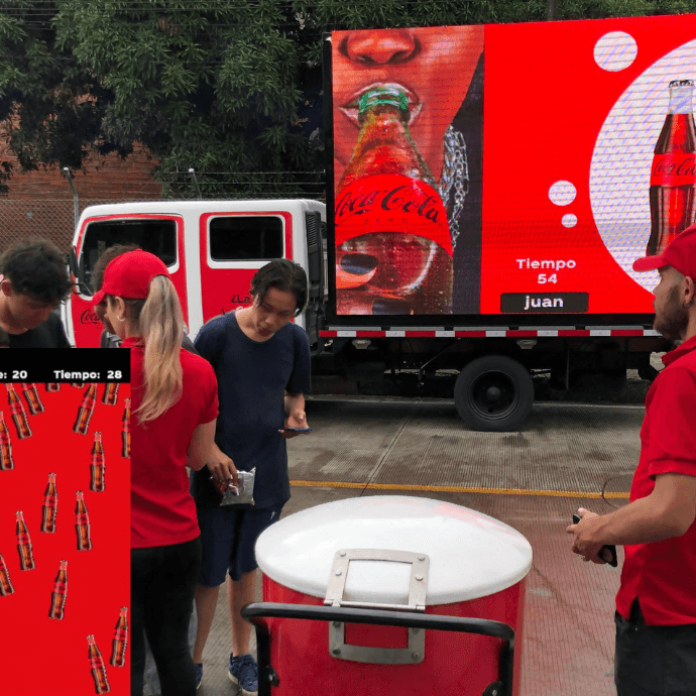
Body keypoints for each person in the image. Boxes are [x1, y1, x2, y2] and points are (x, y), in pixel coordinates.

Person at [567, 224, 696, 695]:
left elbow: (672, 510)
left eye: (661, 278)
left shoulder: (683, 379)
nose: (655, 291)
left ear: (687, 290)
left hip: (669, 622)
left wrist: (596, 531)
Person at [92, 249, 219, 696]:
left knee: (123, 661)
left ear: (118, 306)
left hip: (116, 544)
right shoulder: (200, 371)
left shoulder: (93, 376)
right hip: (179, 538)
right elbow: (198, 459)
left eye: (107, 304)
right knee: (173, 653)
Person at [190, 259, 312, 693]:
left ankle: (241, 658)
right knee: (208, 572)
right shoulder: (216, 335)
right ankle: (193, 661)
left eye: (284, 314)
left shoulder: (294, 340)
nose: (271, 321)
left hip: (265, 475)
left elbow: (294, 394)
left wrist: (296, 415)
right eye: (266, 307)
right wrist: (210, 453)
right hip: (218, 477)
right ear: (252, 293)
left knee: (245, 570)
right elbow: (190, 402)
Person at [332, 26, 485, 313]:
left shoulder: (508, 174)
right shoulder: (315, 220)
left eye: (441, 17)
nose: (379, 45)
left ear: (479, 44)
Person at [92, 243, 198, 353]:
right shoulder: (108, 337)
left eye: (105, 303)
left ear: (120, 305)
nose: (106, 313)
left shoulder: (179, 345)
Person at [0, 239, 72, 347]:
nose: (44, 317)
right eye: (35, 306)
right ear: (7, 289)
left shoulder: (52, 325)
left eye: (52, 306)